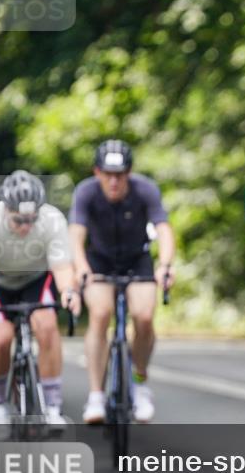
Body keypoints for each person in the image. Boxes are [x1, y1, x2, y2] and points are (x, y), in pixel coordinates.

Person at [69, 140, 175, 424]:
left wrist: (164, 265)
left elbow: (164, 230)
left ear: (129, 173)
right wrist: (80, 269)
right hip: (99, 262)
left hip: (136, 261)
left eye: (120, 174)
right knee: (101, 314)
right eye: (108, 174)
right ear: (97, 172)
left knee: (143, 316)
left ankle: (140, 382)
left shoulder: (145, 190)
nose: (114, 181)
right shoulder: (86, 192)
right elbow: (76, 236)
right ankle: (95, 396)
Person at [0, 170, 81, 426]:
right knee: (0, 336)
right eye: (19, 221)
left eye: (31, 219)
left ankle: (52, 405)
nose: (26, 227)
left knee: (47, 325)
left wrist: (69, 292)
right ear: (5, 210)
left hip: (35, 280)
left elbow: (62, 268)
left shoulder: (52, 219)